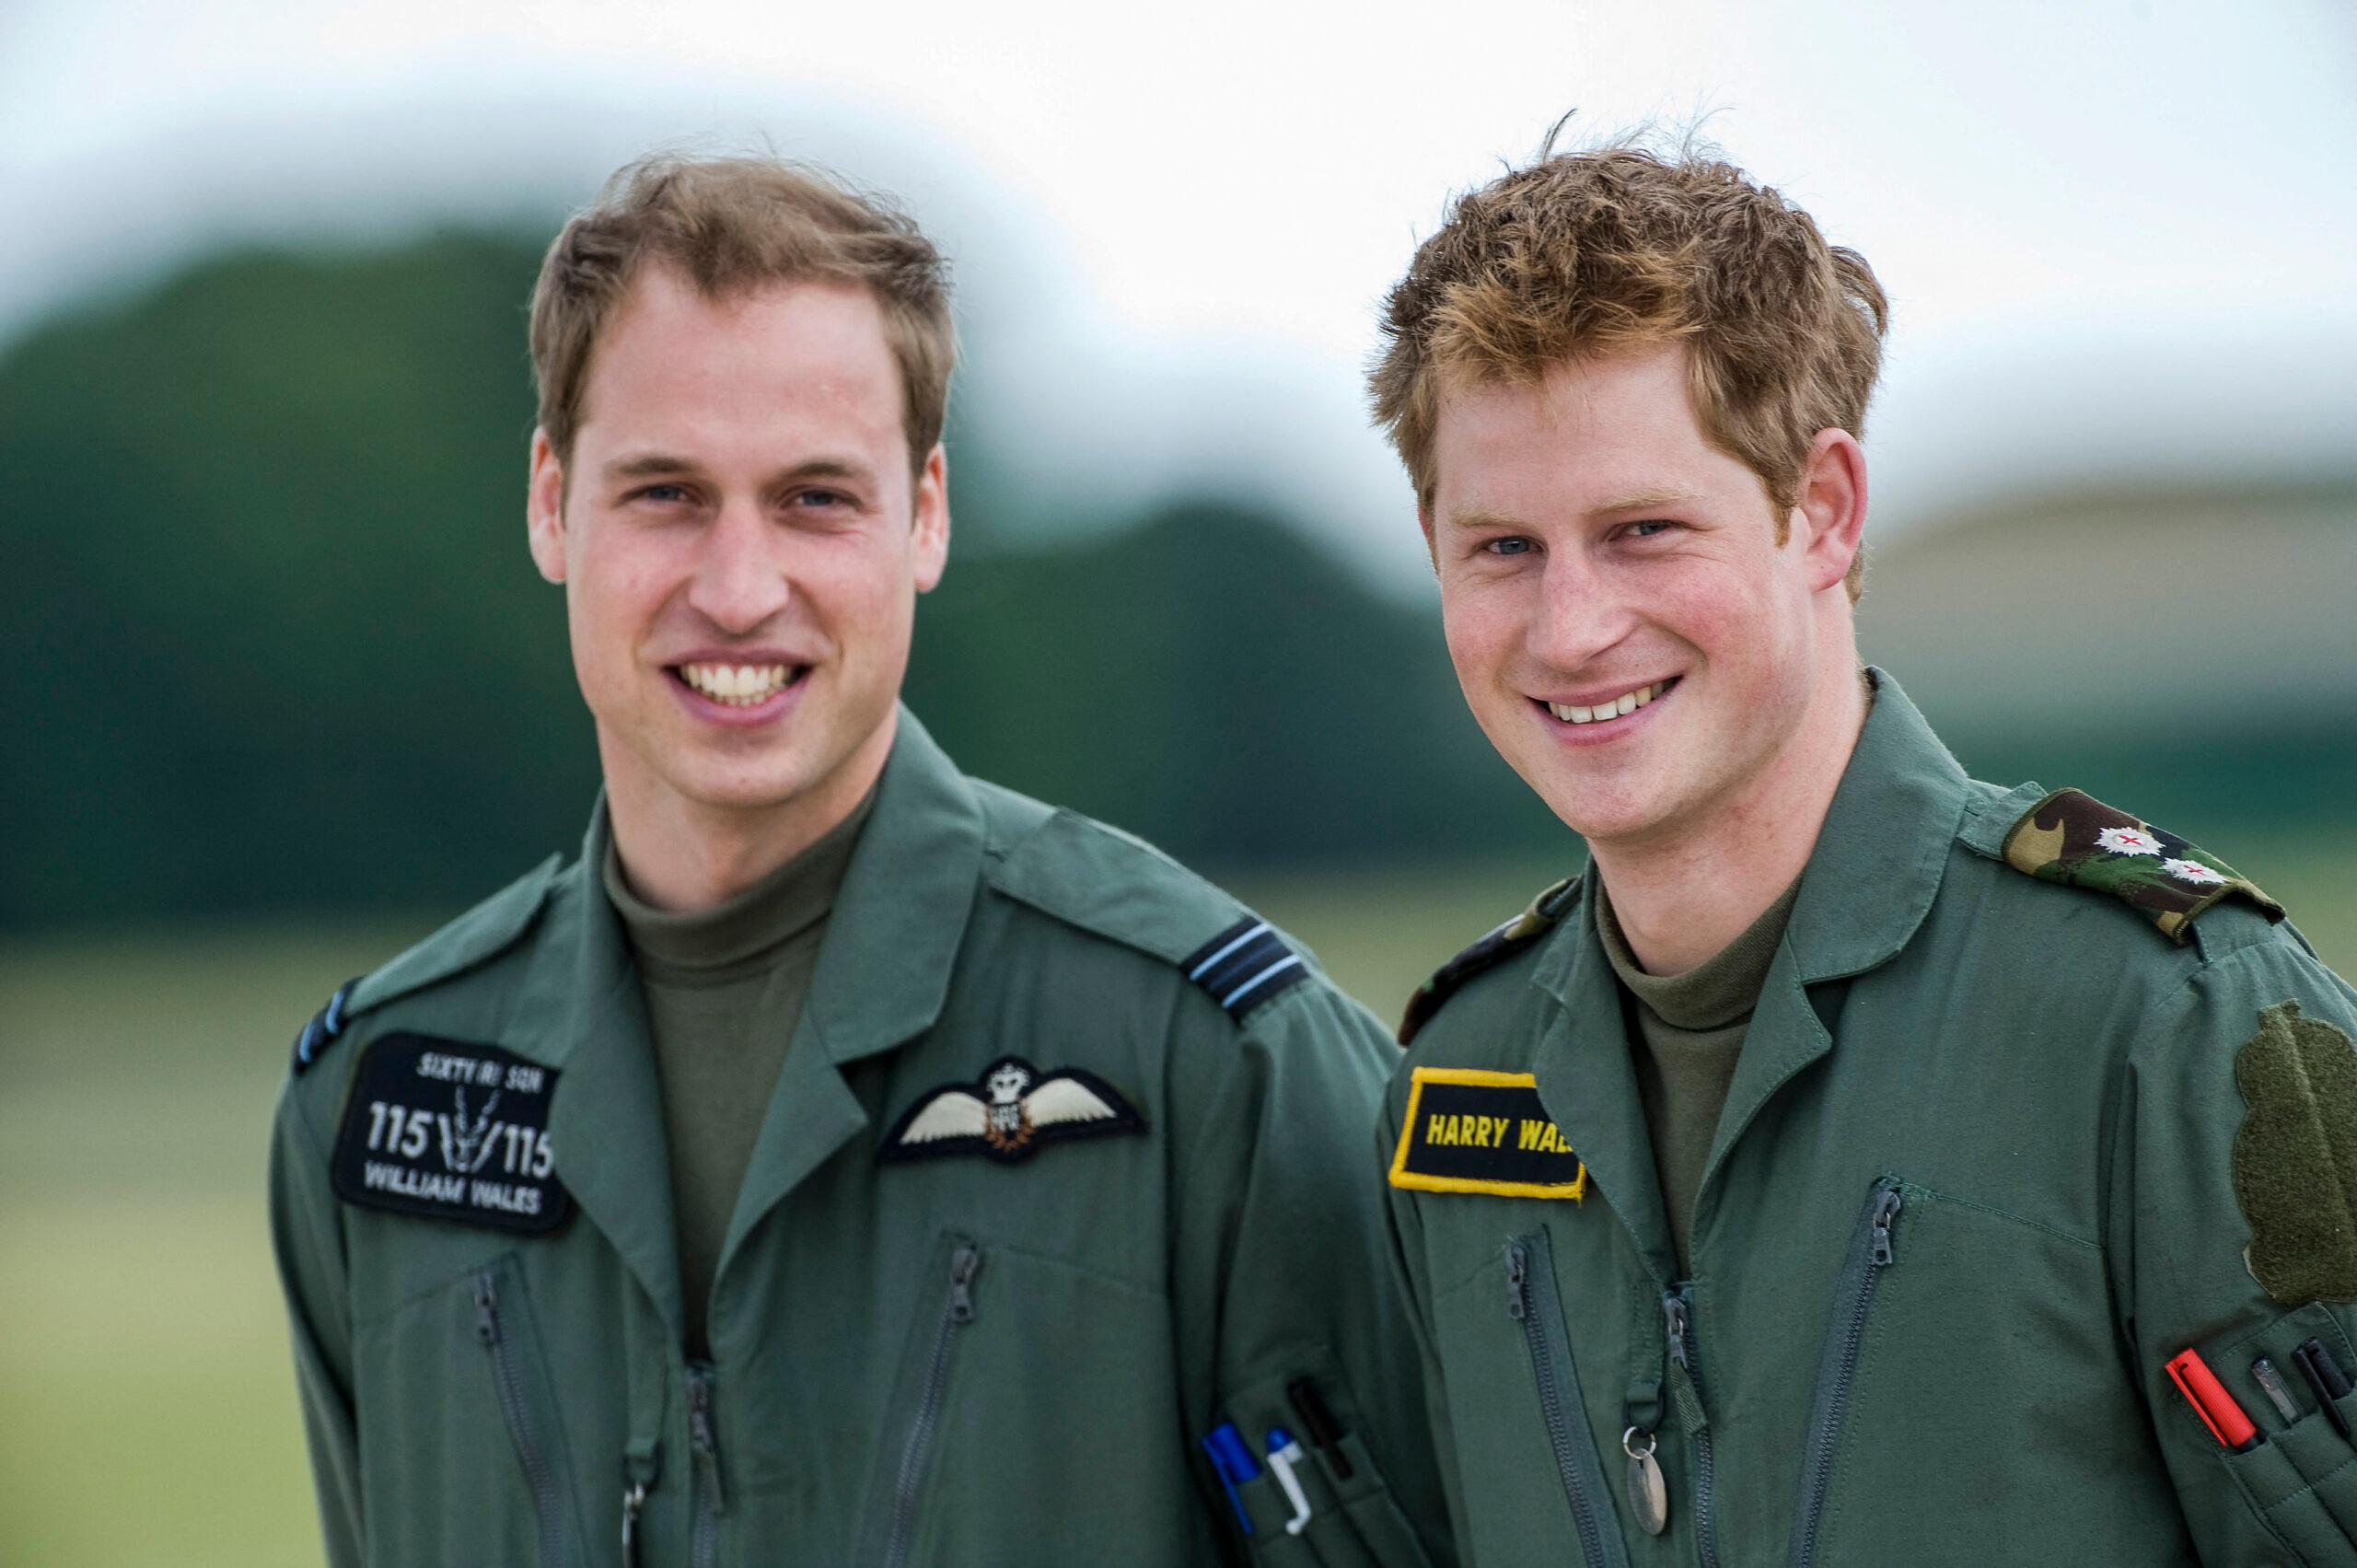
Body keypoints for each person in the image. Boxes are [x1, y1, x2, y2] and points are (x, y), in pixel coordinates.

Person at [267, 153, 1447, 1568]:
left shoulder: (1216, 1061)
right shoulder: (375, 1105)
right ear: (548, 501)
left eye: (816, 498)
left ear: (927, 513)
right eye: (666, 496)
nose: (740, 588)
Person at [1365, 135, 2357, 1567]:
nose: (1570, 627)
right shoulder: (1456, 1076)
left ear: (1821, 509)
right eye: (1503, 547)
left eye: (1644, 530)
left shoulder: (2171, 1020)